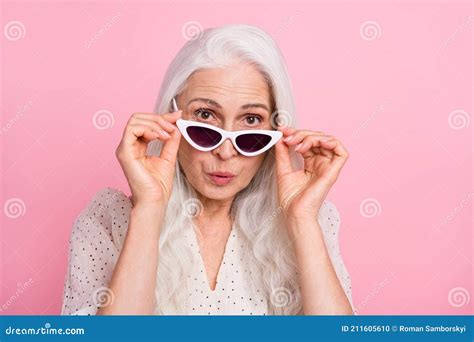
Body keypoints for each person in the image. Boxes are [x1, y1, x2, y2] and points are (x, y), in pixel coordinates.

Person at [61, 24, 353, 315]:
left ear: (278, 129)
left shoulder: (315, 219)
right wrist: (149, 209)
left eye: (251, 120)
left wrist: (301, 220)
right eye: (205, 115)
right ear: (171, 117)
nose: (226, 151)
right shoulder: (107, 220)